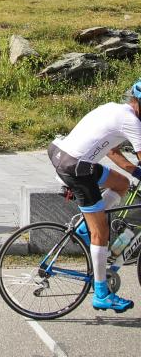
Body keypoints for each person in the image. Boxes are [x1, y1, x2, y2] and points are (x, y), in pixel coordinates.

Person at [48, 81, 141, 313]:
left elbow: (112, 151)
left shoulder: (115, 109)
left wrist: (136, 173)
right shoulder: (133, 122)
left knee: (121, 184)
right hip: (76, 168)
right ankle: (101, 294)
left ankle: (83, 229)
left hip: (68, 156)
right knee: (101, 232)